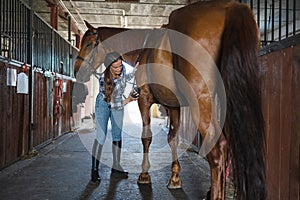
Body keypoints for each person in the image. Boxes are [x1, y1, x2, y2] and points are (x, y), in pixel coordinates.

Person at [91, 52, 139, 183]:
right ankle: (94, 170)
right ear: (109, 67)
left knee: (117, 135)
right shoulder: (103, 79)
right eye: (115, 67)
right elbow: (111, 103)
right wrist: (129, 100)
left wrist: (134, 71)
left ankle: (116, 167)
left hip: (118, 102)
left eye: (120, 65)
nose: (119, 69)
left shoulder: (122, 70)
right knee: (101, 136)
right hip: (104, 103)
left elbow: (125, 76)